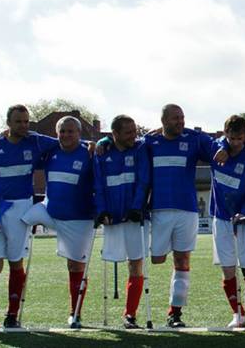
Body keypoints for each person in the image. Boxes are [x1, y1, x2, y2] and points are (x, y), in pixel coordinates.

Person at [0, 104, 60, 328]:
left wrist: (97, 143)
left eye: (26, 121)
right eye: (18, 122)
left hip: (20, 208)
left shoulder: (34, 140)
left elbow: (66, 141)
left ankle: (11, 314)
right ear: (8, 123)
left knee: (16, 262)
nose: (24, 126)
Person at [143, 104, 219, 328]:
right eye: (175, 118)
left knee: (182, 260)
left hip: (187, 209)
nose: (181, 121)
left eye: (182, 117)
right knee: (157, 260)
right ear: (163, 120)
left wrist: (221, 148)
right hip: (158, 210)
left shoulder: (193, 140)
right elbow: (126, 144)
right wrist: (102, 142)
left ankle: (174, 313)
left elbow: (217, 146)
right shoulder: (150, 142)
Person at [20, 116, 96, 327]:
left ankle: (75, 312)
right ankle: (15, 273)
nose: (66, 135)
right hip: (49, 211)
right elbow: (31, 136)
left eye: (70, 131)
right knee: (19, 219)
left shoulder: (89, 153)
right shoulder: (51, 151)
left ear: (79, 134)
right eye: (62, 131)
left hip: (78, 218)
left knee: (75, 266)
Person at [92, 114, 150, 328]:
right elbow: (98, 185)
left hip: (134, 217)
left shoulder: (140, 149)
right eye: (128, 132)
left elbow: (143, 181)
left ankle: (130, 315)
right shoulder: (102, 152)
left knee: (136, 264)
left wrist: (136, 207)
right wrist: (101, 210)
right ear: (114, 134)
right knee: (111, 260)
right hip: (111, 219)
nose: (133, 136)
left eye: (135, 131)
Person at [209, 115, 245, 328]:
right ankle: (237, 313)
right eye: (230, 138)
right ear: (225, 135)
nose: (235, 143)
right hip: (221, 218)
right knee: (228, 268)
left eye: (239, 138)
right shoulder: (216, 149)